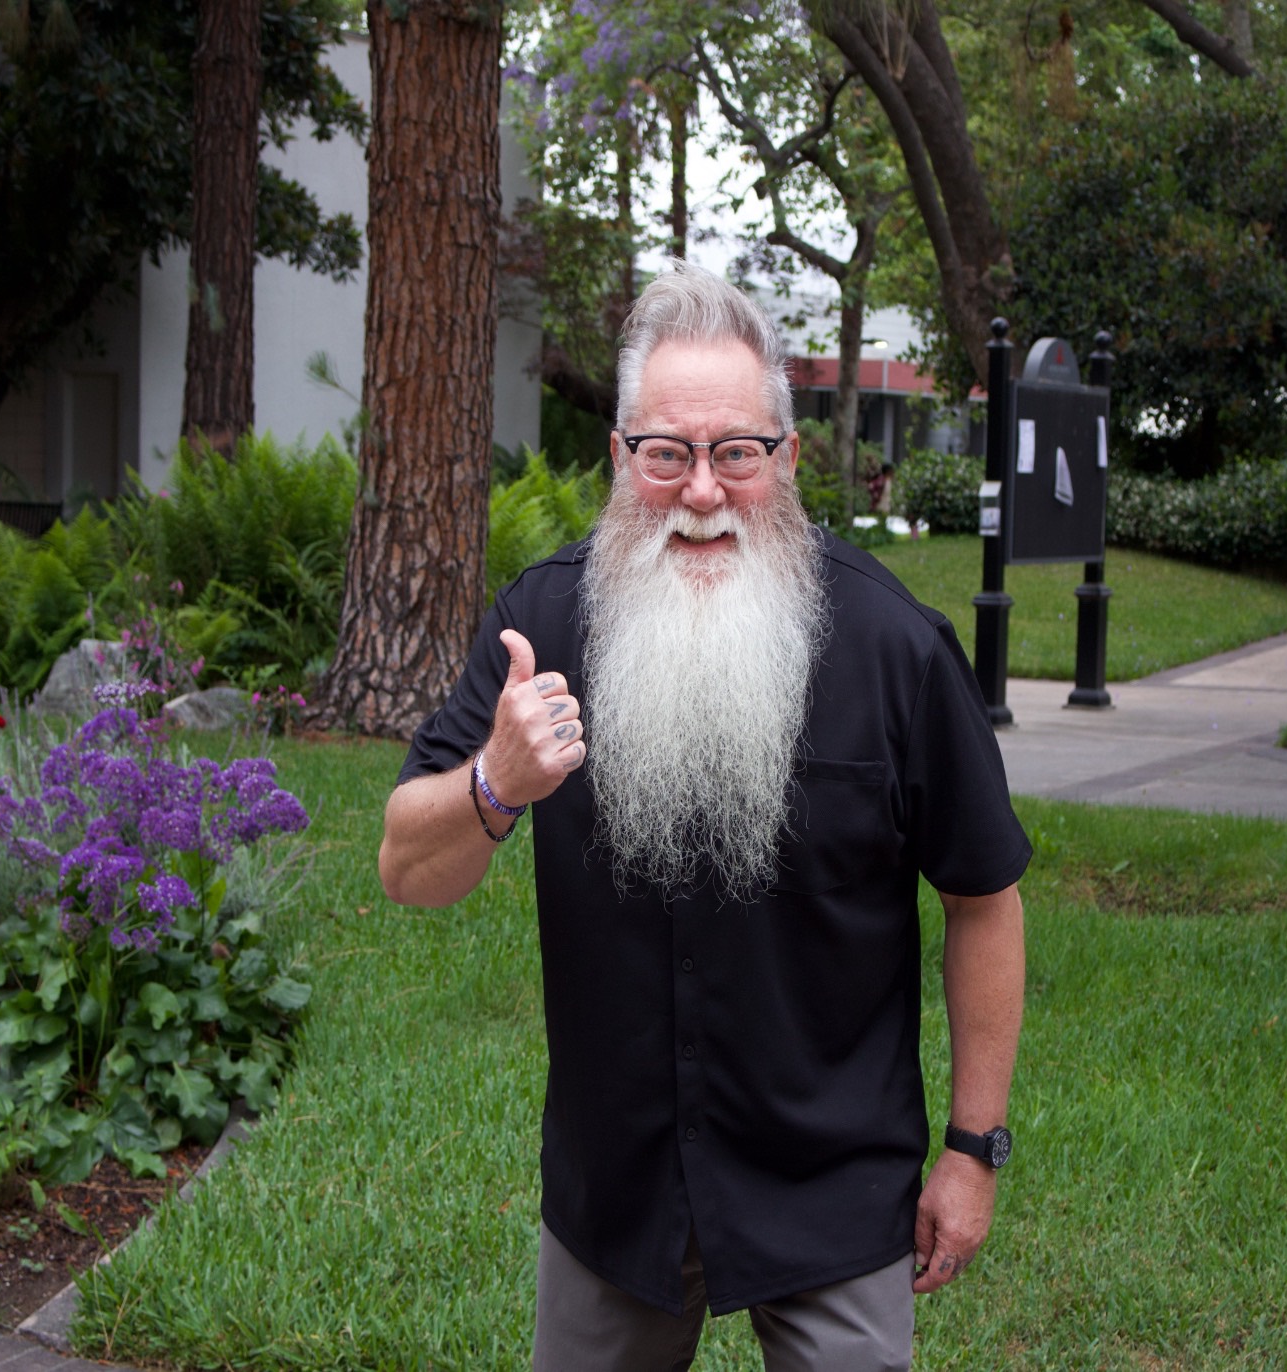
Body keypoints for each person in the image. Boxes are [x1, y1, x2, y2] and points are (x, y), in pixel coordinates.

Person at [379, 260, 1030, 1372]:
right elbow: (406, 865)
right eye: (665, 453)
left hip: (828, 1180)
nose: (699, 490)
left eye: (735, 451)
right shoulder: (542, 621)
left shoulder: (892, 648)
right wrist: (495, 782)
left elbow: (982, 896)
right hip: (614, 1187)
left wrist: (972, 1149)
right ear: (622, 456)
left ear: (784, 457)